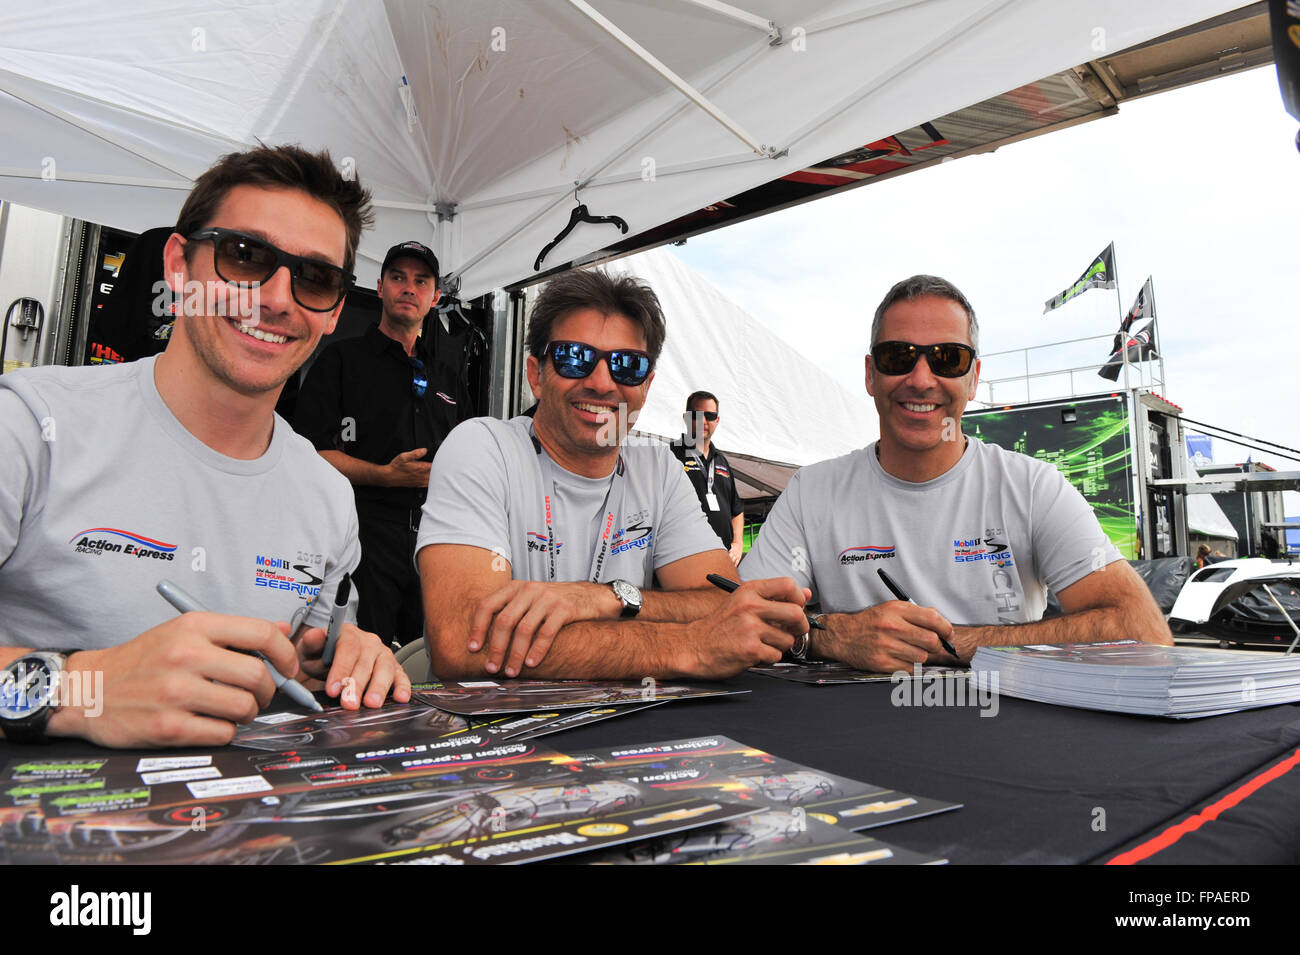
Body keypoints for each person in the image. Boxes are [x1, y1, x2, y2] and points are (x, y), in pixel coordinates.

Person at [0, 145, 411, 748]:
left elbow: (296, 668)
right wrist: (86, 687)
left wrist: (346, 660)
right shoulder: (32, 425)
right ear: (178, 266)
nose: (274, 298)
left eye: (315, 277)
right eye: (244, 256)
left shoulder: (326, 496)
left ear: (334, 312)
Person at [741, 274, 1172, 673]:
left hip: (1002, 731)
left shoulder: (1032, 488)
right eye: (899, 357)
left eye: (948, 358)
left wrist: (950, 643)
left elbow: (1143, 631)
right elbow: (742, 619)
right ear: (871, 374)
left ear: (973, 378)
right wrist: (833, 637)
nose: (921, 379)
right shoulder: (813, 491)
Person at [416, 269, 810, 680]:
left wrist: (607, 598)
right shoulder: (483, 448)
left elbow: (722, 600)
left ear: (647, 386)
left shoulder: (657, 468)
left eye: (627, 365)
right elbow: (465, 642)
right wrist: (687, 646)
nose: (602, 382)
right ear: (536, 374)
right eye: (574, 357)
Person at [294, 240, 470, 646]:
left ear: (435, 297)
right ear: (379, 288)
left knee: (426, 664)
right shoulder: (341, 361)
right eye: (398, 278)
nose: (409, 288)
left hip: (435, 541)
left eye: (421, 281)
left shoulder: (449, 377)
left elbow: (468, 459)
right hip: (362, 537)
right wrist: (383, 476)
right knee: (358, 658)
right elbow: (308, 456)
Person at [672, 391, 745, 565]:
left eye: (710, 416)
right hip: (685, 559)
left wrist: (738, 543)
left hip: (724, 559)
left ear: (717, 421)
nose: (704, 422)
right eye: (697, 415)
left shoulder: (721, 460)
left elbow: (737, 510)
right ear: (686, 418)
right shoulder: (671, 455)